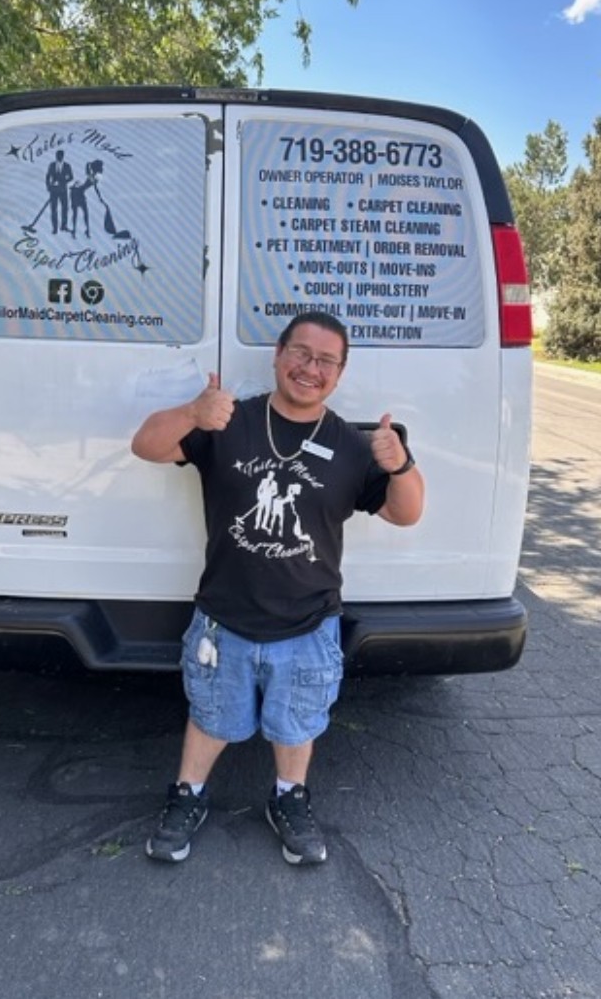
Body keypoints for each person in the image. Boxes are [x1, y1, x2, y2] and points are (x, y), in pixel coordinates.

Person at [131, 313, 425, 865]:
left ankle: (289, 797)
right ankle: (187, 795)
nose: (309, 368)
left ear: (339, 373)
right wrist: (193, 412)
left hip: (309, 625)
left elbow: (405, 513)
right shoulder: (229, 421)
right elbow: (145, 444)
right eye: (300, 353)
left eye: (325, 360)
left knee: (297, 722)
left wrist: (403, 465)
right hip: (224, 618)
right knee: (212, 716)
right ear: (278, 354)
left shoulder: (350, 444)